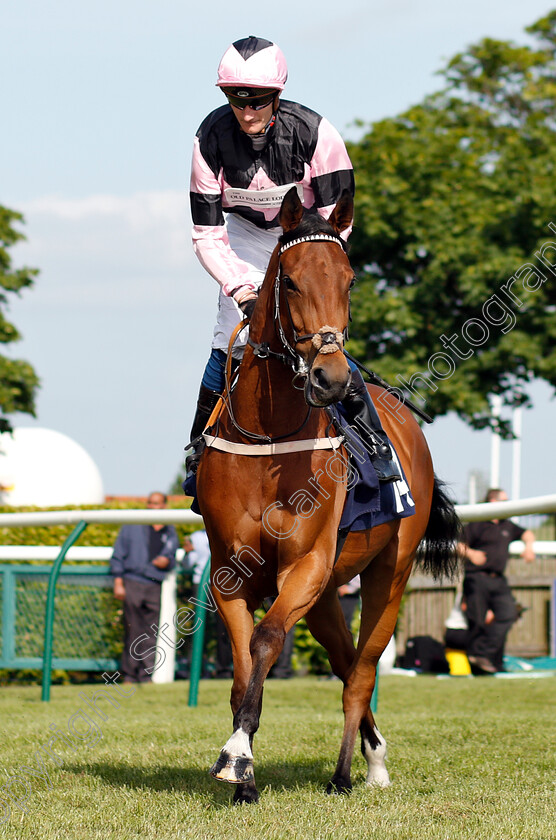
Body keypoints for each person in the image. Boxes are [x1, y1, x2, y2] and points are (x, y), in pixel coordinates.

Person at [186, 35, 400, 483]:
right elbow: (207, 234)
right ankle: (199, 444)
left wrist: (313, 270)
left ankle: (375, 437)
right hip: (243, 236)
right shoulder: (209, 136)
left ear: (277, 96)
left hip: (308, 234)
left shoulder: (317, 133)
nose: (246, 114)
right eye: (236, 101)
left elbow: (338, 220)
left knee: (323, 335)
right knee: (230, 335)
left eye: (258, 102)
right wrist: (243, 290)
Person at [457, 488, 535, 674]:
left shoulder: (507, 525)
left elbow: (527, 533)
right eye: (504, 500)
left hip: (498, 579)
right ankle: (480, 665)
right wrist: (472, 553)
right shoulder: (476, 525)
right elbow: (459, 544)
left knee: (508, 614)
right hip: (477, 578)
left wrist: (529, 547)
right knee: (477, 621)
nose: (508, 504)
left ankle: (484, 655)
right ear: (492, 501)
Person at [110, 492, 178, 683]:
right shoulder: (132, 526)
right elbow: (118, 555)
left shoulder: (169, 530)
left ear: (164, 506)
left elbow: (171, 556)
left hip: (154, 584)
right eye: (150, 503)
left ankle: (146, 674)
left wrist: (167, 561)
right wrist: (118, 582)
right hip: (132, 581)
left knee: (151, 631)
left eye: (156, 503)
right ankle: (130, 674)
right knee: (133, 630)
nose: (152, 507)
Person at [182, 529, 233, 678]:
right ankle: (197, 669)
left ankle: (224, 669)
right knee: (198, 627)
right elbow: (187, 565)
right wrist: (187, 553)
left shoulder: (227, 529)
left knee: (224, 629)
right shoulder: (196, 536)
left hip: (224, 585)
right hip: (201, 586)